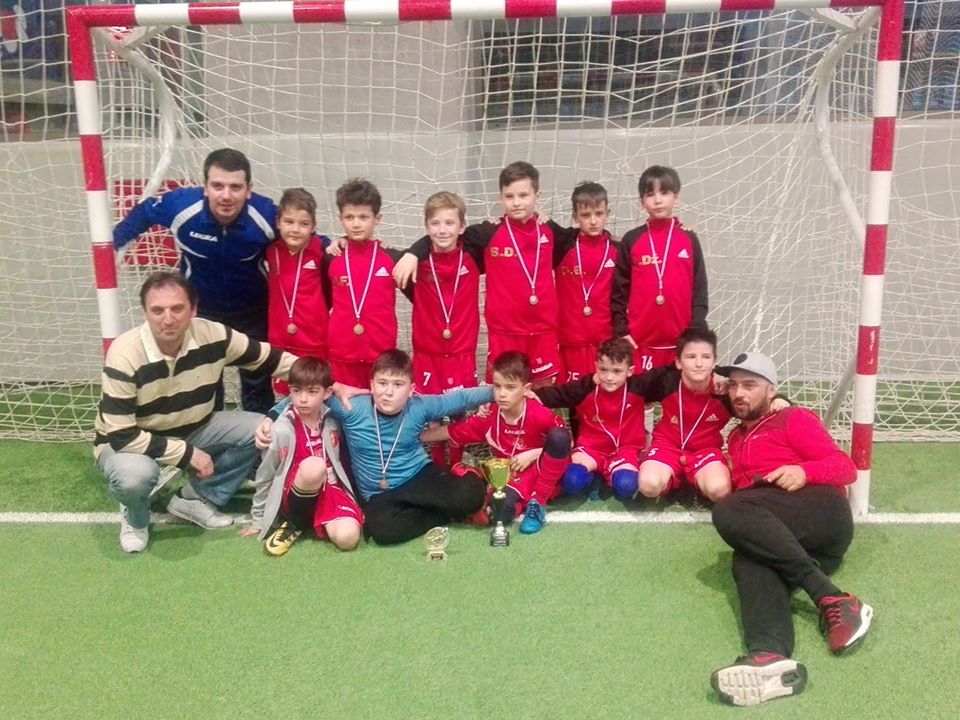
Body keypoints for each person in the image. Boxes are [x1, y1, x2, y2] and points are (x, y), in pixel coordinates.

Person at [708, 352, 874, 707]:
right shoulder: (735, 438)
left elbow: (845, 467)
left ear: (771, 391)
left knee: (730, 510)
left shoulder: (792, 419)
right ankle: (769, 655)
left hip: (822, 512)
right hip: (792, 541)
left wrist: (804, 471)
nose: (739, 393)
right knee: (749, 557)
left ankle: (828, 596)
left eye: (750, 385)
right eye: (733, 385)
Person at [94, 271, 297, 554]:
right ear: (145, 313)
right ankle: (135, 517)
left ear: (193, 309)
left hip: (195, 428)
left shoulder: (213, 335)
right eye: (158, 310)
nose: (168, 319)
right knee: (134, 478)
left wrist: (327, 381)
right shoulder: (125, 353)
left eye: (177, 309)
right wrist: (187, 454)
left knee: (265, 430)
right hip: (131, 442)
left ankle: (194, 498)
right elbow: (120, 435)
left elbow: (270, 359)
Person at [113, 148, 278, 413]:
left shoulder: (267, 215)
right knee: (206, 389)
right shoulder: (181, 206)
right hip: (202, 313)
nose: (226, 195)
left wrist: (334, 249)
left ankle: (261, 437)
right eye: (218, 186)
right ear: (205, 187)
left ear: (249, 190)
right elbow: (144, 212)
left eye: (235, 187)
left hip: (253, 312)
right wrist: (113, 246)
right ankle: (210, 437)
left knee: (257, 386)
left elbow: (304, 234)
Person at [393, 161, 562, 387]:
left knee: (544, 388)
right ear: (500, 198)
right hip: (503, 332)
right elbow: (447, 236)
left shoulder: (550, 230)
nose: (517, 202)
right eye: (510, 196)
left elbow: (578, 241)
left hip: (543, 328)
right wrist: (413, 253)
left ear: (537, 196)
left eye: (523, 195)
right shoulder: (486, 234)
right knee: (502, 389)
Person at [325, 349, 493, 545]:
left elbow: (460, 399)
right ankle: (450, 514)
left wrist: (499, 392)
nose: (388, 392)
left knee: (470, 496)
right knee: (383, 532)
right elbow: (307, 383)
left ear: (411, 389)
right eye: (382, 383)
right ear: (371, 385)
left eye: (398, 385)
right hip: (378, 493)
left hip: (417, 475)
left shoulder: (418, 406)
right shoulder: (350, 407)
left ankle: (460, 483)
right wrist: (335, 385)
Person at [423, 351, 572, 535]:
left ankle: (538, 503)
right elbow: (452, 431)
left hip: (541, 470)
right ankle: (516, 503)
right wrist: (415, 436)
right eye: (497, 386)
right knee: (498, 514)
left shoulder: (538, 413)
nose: (502, 394)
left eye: (510, 387)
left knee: (559, 437)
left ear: (526, 389)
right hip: (512, 476)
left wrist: (534, 453)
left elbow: (565, 442)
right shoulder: (489, 416)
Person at [250, 357, 362, 557]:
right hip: (294, 494)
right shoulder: (280, 430)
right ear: (290, 391)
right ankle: (296, 522)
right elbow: (266, 474)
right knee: (314, 466)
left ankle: (314, 520)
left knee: (348, 539)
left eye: (312, 392)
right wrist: (258, 519)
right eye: (296, 391)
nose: (303, 399)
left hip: (330, 490)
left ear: (327, 393)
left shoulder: (332, 421)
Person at [610, 165, 708, 374]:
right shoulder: (632, 240)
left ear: (676, 197)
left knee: (676, 393)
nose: (657, 200)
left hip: (681, 344)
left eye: (664, 193)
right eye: (650, 194)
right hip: (640, 343)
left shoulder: (688, 239)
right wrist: (622, 330)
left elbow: (700, 289)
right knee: (639, 393)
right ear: (641, 201)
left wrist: (696, 331)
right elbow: (619, 291)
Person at [410, 191, 481, 466]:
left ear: (462, 227)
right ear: (426, 227)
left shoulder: (474, 255)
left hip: (462, 352)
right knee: (433, 415)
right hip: (428, 354)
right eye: (435, 223)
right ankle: (438, 467)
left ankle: (458, 466)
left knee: (460, 411)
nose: (442, 230)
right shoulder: (416, 261)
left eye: (449, 223)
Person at [533, 337, 646, 502]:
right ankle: (594, 477)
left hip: (624, 450)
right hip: (591, 449)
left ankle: (611, 475)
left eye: (617, 371)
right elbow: (556, 394)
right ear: (595, 367)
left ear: (630, 371)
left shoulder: (639, 387)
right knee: (571, 481)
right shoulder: (585, 388)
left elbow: (665, 379)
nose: (609, 377)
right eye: (603, 369)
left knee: (626, 486)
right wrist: (529, 393)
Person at [636, 325, 736, 503]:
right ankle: (671, 479)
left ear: (714, 362)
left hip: (705, 450)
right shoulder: (666, 382)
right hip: (666, 446)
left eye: (706, 357)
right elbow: (629, 389)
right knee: (648, 485)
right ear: (678, 362)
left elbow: (754, 403)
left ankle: (698, 479)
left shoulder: (725, 391)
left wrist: (778, 399)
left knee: (719, 491)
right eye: (691, 357)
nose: (699, 364)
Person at [324, 179, 408, 388]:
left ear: (377, 218)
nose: (356, 224)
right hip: (342, 354)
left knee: (380, 405)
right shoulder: (331, 257)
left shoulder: (392, 258)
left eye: (363, 217)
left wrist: (414, 254)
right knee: (344, 406)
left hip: (381, 356)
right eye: (349, 217)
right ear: (340, 219)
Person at [546, 181, 619, 382]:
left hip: (606, 342)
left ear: (608, 213)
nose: (593, 221)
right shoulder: (563, 247)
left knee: (603, 395)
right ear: (575, 217)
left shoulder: (619, 250)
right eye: (586, 215)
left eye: (599, 213)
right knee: (572, 396)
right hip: (570, 341)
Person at [265, 188, 332, 396]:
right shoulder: (270, 250)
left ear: (313, 226)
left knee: (315, 392)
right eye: (289, 221)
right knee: (288, 395)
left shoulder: (323, 251)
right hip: (280, 341)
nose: (295, 229)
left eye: (303, 224)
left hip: (314, 341)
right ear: (278, 222)